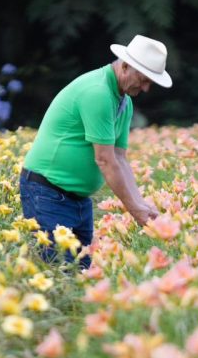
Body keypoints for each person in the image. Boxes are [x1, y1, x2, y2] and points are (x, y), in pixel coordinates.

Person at [20, 34, 172, 268]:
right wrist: (134, 210)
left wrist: (142, 204)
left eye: (150, 83)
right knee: (60, 273)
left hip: (78, 200)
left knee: (80, 273)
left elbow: (120, 158)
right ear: (125, 65)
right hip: (47, 193)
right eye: (143, 79)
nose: (146, 88)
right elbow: (105, 160)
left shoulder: (124, 101)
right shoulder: (98, 92)